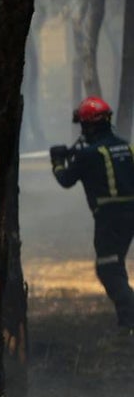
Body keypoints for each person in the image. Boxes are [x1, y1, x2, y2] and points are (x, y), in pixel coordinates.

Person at [50, 95, 134, 329]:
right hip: (129, 216)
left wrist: (57, 161)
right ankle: (126, 323)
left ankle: (130, 321)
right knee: (115, 264)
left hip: (110, 219)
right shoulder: (127, 147)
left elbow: (66, 179)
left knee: (108, 268)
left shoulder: (88, 155)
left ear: (89, 126)